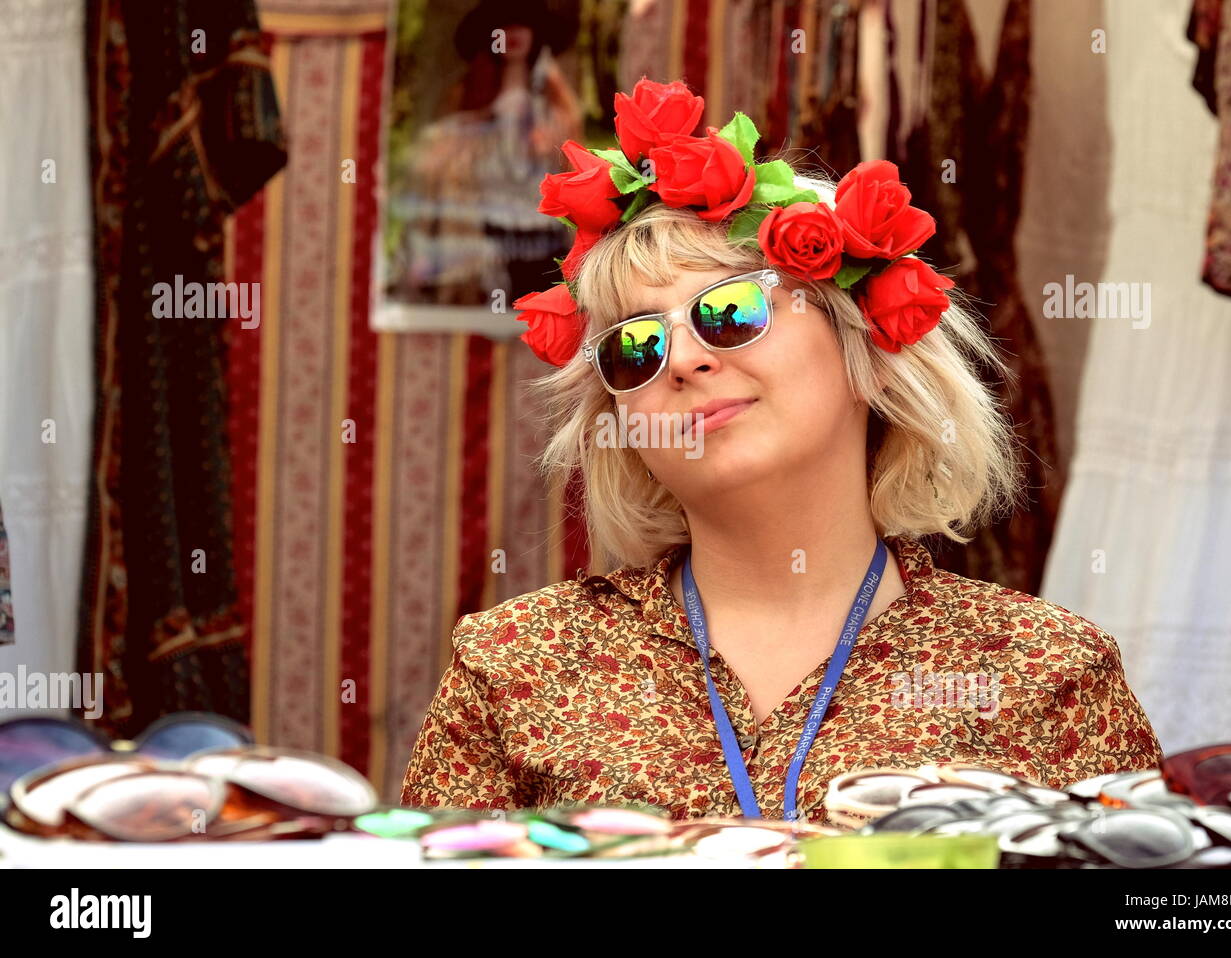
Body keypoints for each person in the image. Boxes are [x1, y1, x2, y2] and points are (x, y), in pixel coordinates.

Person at [401, 79, 1162, 823]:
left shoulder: (1045, 671)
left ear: (863, 350)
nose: (684, 361)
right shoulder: (516, 666)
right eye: (635, 345)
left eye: (731, 311)